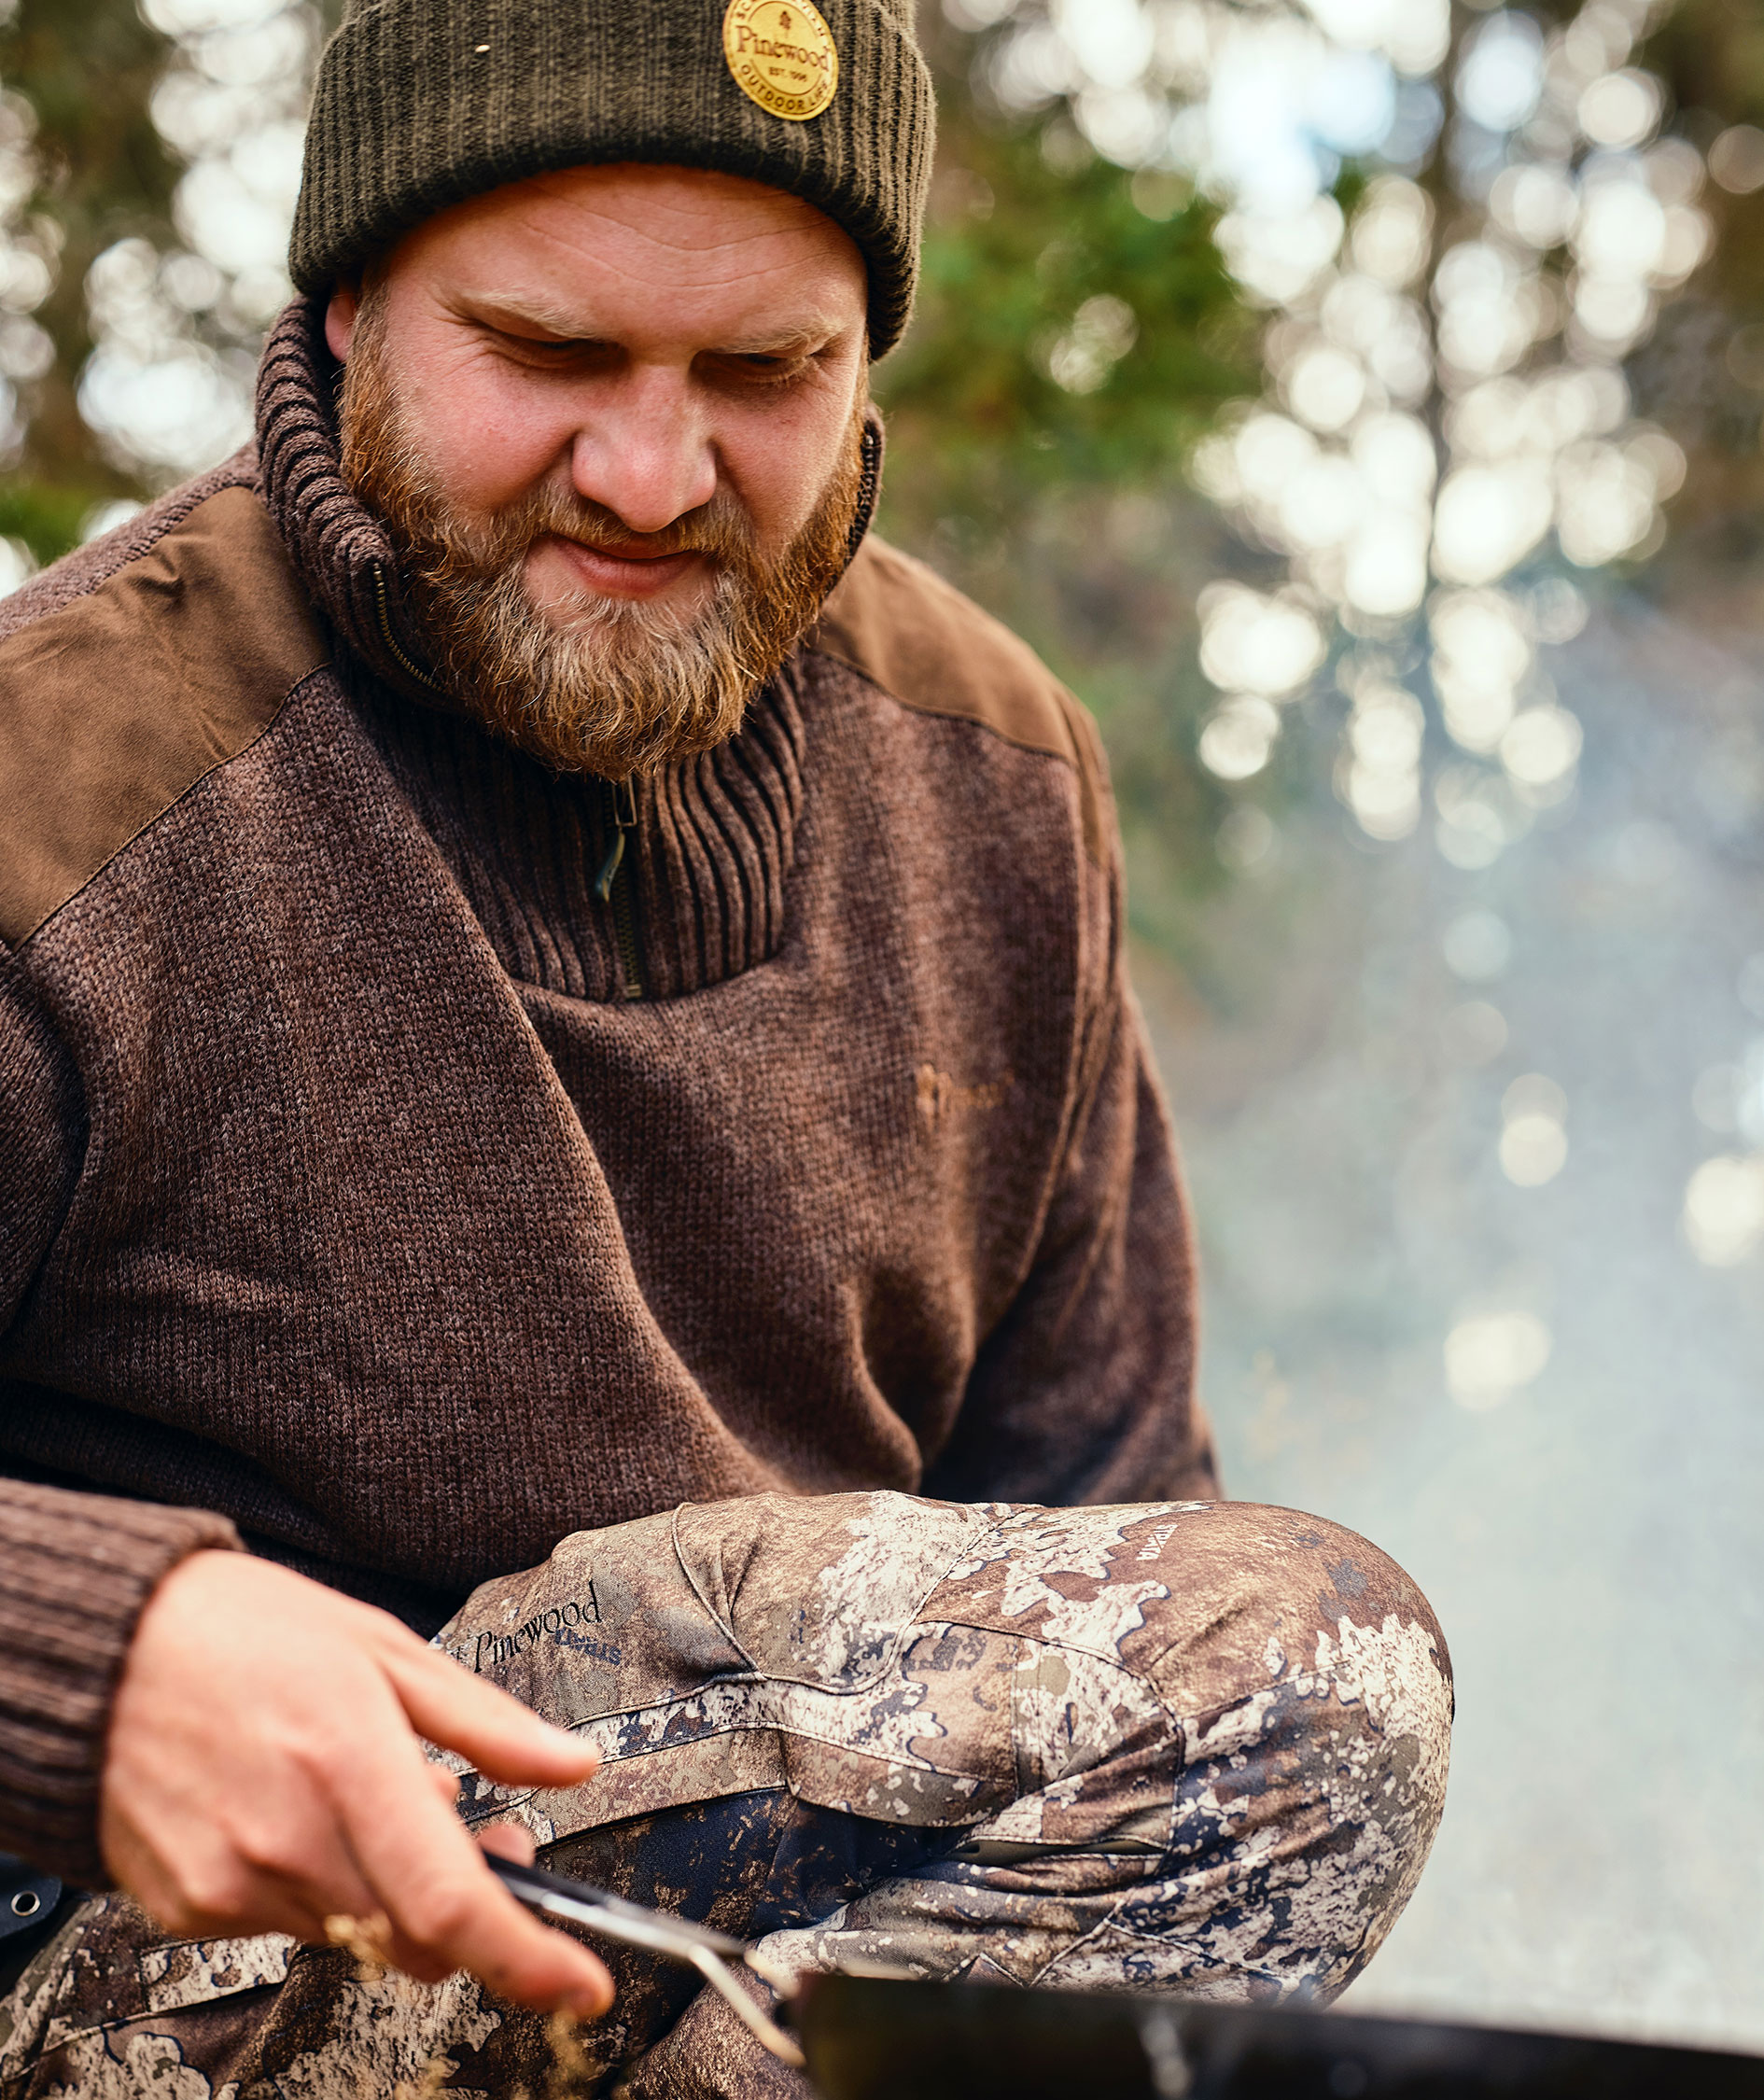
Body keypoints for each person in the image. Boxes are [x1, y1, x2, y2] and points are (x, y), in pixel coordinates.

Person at [0, 1, 1452, 2093]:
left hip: (686, 1992)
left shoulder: (998, 783)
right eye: (551, 354)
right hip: (121, 1970)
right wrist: (88, 1646)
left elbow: (1110, 1565)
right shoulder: (66, 798)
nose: (654, 477)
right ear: (347, 313)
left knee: (1275, 1682)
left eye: (765, 373)